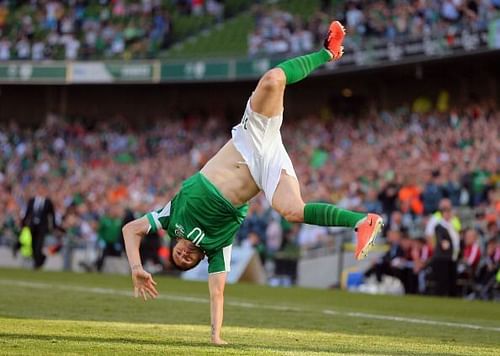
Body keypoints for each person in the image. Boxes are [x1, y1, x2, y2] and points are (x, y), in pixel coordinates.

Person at [122, 21, 383, 345]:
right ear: (199, 259)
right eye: (187, 261)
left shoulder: (169, 217)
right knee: (293, 211)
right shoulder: (217, 246)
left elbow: (130, 229)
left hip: (249, 141)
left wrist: (136, 267)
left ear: (173, 244)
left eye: (178, 255)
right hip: (265, 167)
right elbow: (217, 292)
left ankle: (326, 52)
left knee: (273, 79)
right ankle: (362, 221)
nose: (184, 255)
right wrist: (216, 336)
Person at [21, 183, 57, 269]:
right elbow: (28, 213)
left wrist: (53, 226)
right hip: (33, 226)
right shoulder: (32, 201)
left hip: (42, 226)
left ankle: (37, 264)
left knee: (39, 245)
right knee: (33, 245)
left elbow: (52, 215)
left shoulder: (48, 202)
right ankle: (40, 259)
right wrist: (23, 223)